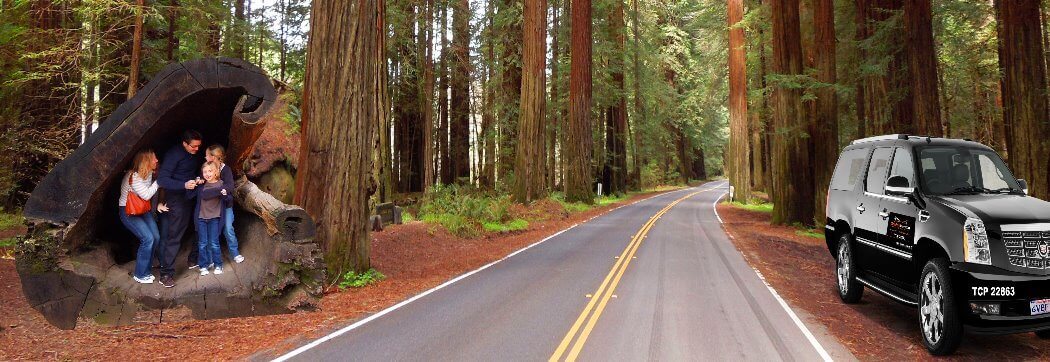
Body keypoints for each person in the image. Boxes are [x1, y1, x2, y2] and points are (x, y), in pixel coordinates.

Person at [156, 130, 204, 288]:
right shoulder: (173, 155)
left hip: (191, 195)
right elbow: (162, 180)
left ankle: (194, 258)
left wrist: (198, 178)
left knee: (200, 225)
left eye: (198, 146)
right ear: (184, 143)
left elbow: (193, 170)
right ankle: (165, 273)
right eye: (193, 146)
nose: (196, 149)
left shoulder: (195, 153)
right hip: (176, 198)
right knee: (174, 235)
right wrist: (183, 185)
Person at [118, 150, 161, 284]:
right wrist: (159, 181)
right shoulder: (134, 176)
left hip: (142, 209)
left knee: (156, 237)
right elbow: (147, 195)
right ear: (146, 162)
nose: (157, 161)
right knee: (147, 238)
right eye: (154, 159)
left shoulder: (147, 173)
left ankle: (146, 270)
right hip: (128, 211)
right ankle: (140, 274)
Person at [205, 145, 245, 263]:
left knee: (228, 228)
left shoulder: (225, 169)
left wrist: (221, 190)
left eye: (206, 155)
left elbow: (230, 185)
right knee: (212, 231)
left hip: (225, 205)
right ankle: (211, 259)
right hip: (212, 206)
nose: (205, 157)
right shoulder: (207, 168)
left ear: (213, 157)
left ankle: (235, 253)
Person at [195, 162, 231, 275]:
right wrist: (195, 182)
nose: (207, 174)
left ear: (216, 172)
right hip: (201, 218)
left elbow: (229, 201)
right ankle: (203, 266)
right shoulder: (202, 185)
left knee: (214, 243)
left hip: (215, 218)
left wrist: (224, 194)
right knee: (202, 243)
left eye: (210, 171)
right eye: (205, 172)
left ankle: (218, 265)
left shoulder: (222, 184)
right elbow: (204, 195)